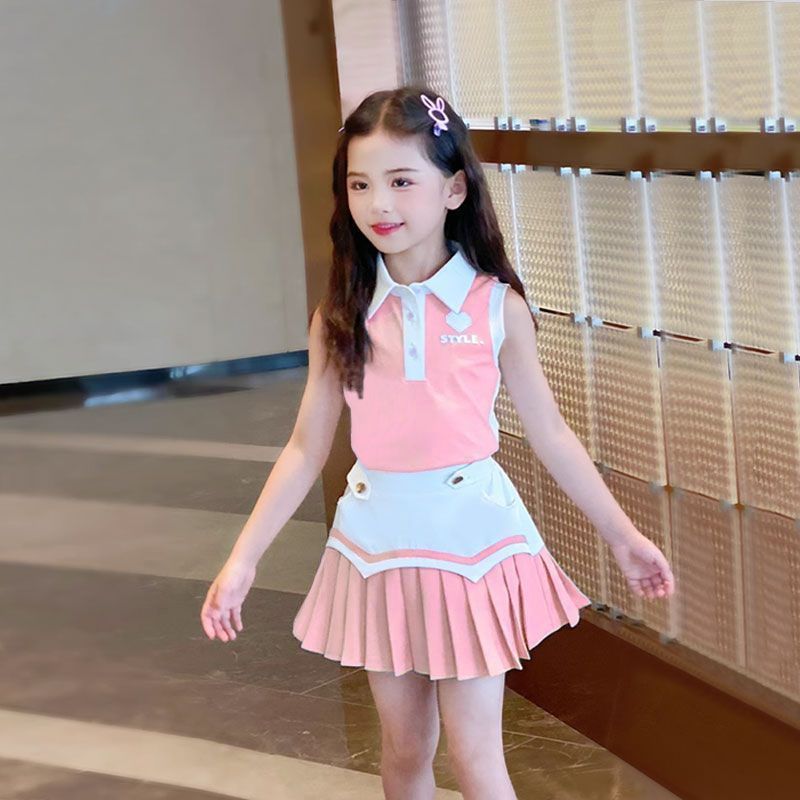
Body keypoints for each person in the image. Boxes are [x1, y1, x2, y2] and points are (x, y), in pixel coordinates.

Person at [200, 85, 675, 800]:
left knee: (476, 756)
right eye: (360, 184)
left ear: (453, 188)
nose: (378, 204)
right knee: (403, 750)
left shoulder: (496, 306)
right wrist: (243, 560)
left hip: (470, 546)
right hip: (378, 546)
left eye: (401, 181)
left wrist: (623, 536)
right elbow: (304, 448)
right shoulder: (341, 314)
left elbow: (550, 433)